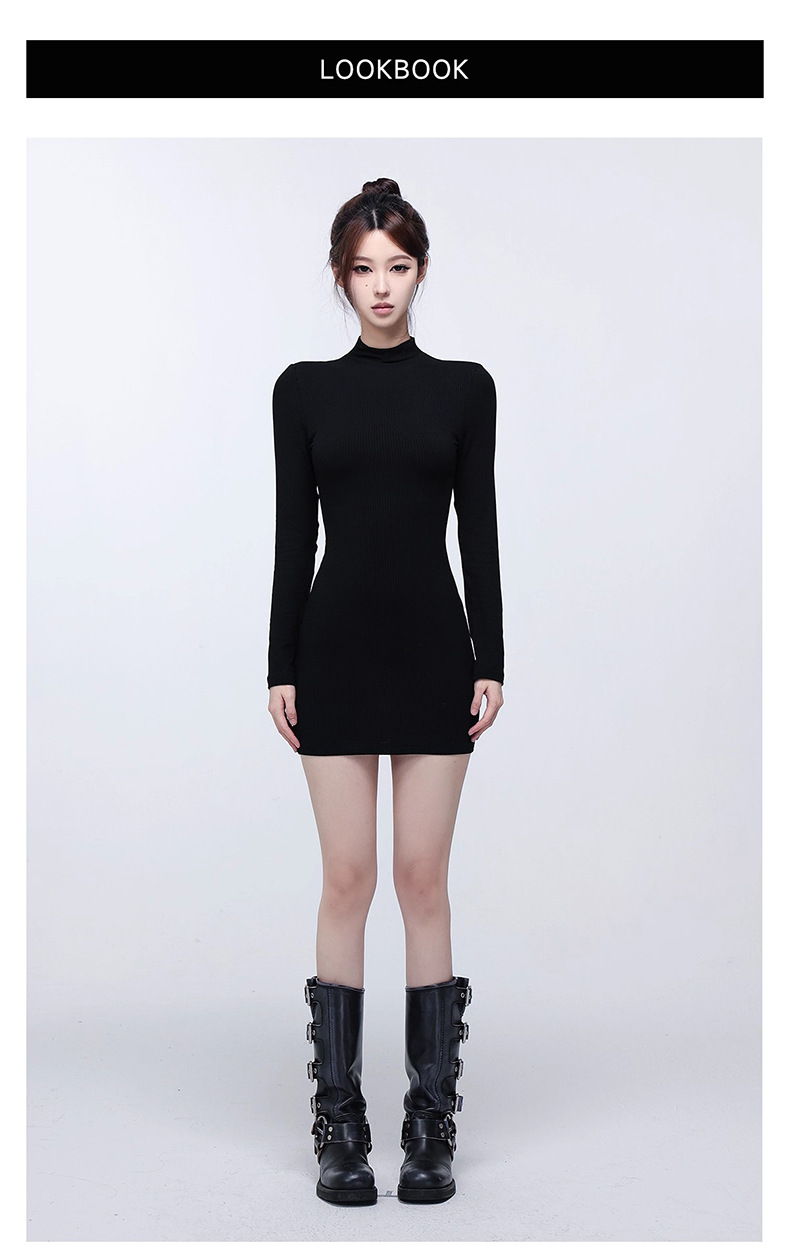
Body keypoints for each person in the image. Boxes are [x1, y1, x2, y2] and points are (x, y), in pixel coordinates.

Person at [266, 177, 505, 1206]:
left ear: (420, 272)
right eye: (363, 268)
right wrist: (279, 664)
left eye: (397, 267)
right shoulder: (302, 391)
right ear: (340, 275)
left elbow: (478, 527)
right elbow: (294, 535)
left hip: (433, 652)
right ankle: (340, 1127)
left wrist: (491, 656)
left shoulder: (465, 389)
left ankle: (429, 1127)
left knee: (422, 880)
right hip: (334, 652)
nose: (380, 286)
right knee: (348, 880)